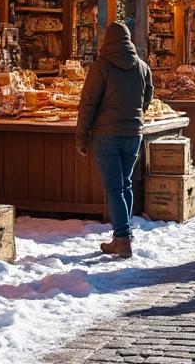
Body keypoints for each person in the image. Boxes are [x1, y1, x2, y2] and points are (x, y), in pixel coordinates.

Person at [76, 22, 152, 259]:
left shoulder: (101, 67)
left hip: (107, 135)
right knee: (125, 184)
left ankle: (121, 238)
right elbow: (147, 97)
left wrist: (81, 137)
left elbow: (88, 103)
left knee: (115, 187)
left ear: (107, 41)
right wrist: (134, 117)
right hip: (133, 134)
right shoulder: (142, 67)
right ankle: (125, 234)